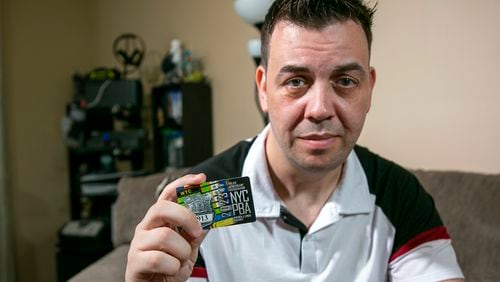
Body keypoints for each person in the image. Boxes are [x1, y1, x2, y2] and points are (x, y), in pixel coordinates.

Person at [125, 0, 465, 281]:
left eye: (345, 80)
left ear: (369, 88)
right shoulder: (205, 199)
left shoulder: (398, 195)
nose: (319, 109)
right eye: (296, 81)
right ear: (263, 88)